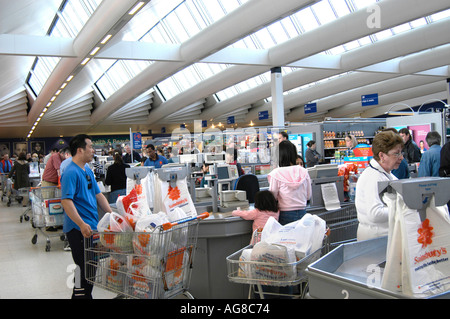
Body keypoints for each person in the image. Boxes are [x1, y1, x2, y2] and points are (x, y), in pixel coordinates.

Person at [61, 134, 112, 299]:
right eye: (90, 147)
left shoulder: (87, 170)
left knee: (89, 271)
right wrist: (81, 224)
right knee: (83, 271)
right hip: (79, 230)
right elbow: (66, 201)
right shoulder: (70, 172)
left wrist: (112, 215)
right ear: (80, 150)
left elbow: (99, 195)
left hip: (91, 228)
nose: (93, 151)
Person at [355, 131, 404, 241]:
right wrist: (403, 206)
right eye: (396, 153)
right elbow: (375, 214)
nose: (401, 158)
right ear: (382, 155)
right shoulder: (372, 177)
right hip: (376, 241)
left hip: (384, 238)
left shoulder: (385, 174)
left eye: (401, 153)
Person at [268, 140, 311, 225]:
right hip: (303, 212)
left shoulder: (276, 173)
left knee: (287, 238)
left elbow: (272, 197)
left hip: (284, 213)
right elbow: (308, 195)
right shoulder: (303, 171)